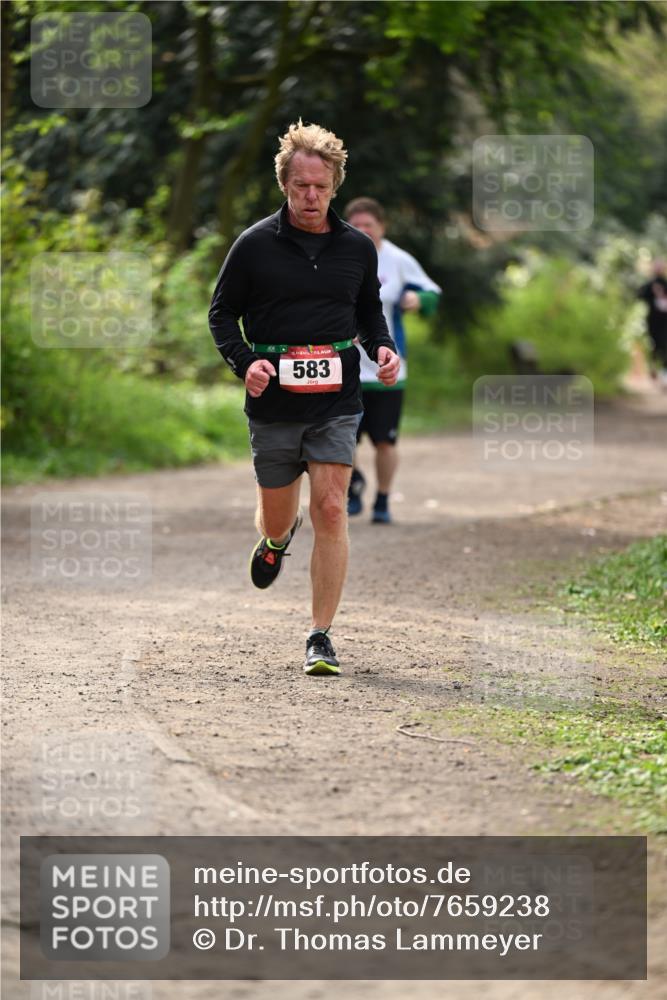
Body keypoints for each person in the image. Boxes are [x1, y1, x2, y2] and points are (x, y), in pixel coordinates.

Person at [208, 122, 400, 676]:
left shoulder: (357, 248)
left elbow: (367, 312)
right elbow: (221, 315)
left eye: (319, 186)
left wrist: (381, 349)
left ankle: (320, 636)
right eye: (300, 187)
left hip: (337, 397)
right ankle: (274, 540)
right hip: (274, 400)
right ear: (284, 185)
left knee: (332, 508)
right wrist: (248, 364)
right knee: (278, 515)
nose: (310, 197)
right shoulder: (253, 246)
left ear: (334, 184)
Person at [343, 197, 441, 523]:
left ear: (381, 227)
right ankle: (352, 486)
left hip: (388, 367)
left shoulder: (398, 260)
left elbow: (432, 293)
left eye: (368, 225)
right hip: (344, 365)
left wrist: (419, 298)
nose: (362, 231)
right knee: (343, 436)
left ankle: (383, 500)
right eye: (355, 226)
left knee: (385, 441)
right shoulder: (337, 256)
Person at [638, 259, 667, 389]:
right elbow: (640, 296)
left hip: (665, 321)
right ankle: (654, 368)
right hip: (653, 321)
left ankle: (664, 372)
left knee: (664, 345)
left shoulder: (665, 284)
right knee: (654, 345)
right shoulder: (649, 285)